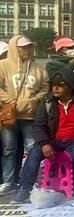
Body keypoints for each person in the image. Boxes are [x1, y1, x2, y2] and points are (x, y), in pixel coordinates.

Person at [9, 67, 74, 203]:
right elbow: (39, 126)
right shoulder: (47, 103)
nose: (55, 89)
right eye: (53, 85)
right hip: (54, 141)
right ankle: (24, 189)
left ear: (70, 86)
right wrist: (44, 143)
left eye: (60, 85)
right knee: (34, 153)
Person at [0, 35, 48, 194]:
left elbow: (45, 87)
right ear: (15, 48)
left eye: (29, 46)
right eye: (23, 47)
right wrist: (12, 101)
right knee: (9, 149)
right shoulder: (3, 66)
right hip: (10, 115)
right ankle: (9, 181)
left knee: (33, 149)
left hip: (31, 116)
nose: (28, 50)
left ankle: (31, 180)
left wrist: (34, 100)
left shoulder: (39, 68)